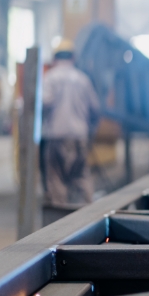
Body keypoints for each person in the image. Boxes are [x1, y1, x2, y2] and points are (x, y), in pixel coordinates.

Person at [41, 40, 101, 206]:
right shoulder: (83, 80)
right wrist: (90, 130)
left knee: (56, 180)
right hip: (79, 137)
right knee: (81, 178)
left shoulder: (50, 79)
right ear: (73, 58)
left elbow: (43, 104)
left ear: (54, 58)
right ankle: (89, 222)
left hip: (56, 137)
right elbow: (95, 109)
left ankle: (59, 222)